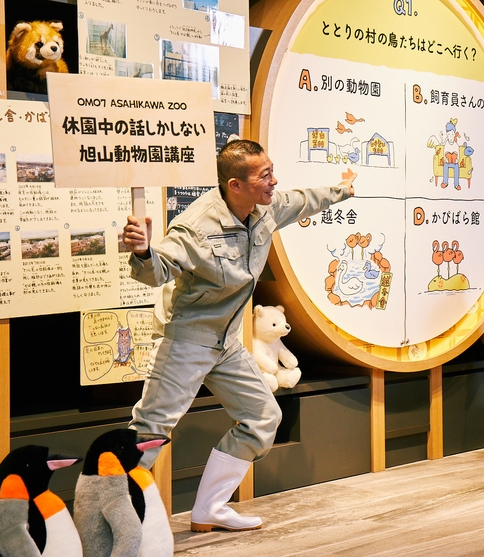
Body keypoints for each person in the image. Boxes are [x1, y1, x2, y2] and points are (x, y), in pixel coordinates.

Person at [122, 139, 356, 533]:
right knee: (151, 429)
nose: (273, 181)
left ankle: (210, 508)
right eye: (264, 176)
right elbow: (155, 272)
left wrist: (344, 189)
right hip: (189, 338)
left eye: (271, 170)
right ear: (235, 185)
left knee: (263, 417)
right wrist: (144, 252)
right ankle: (115, 516)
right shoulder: (196, 227)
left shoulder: (265, 208)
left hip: (226, 342)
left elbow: (303, 200)